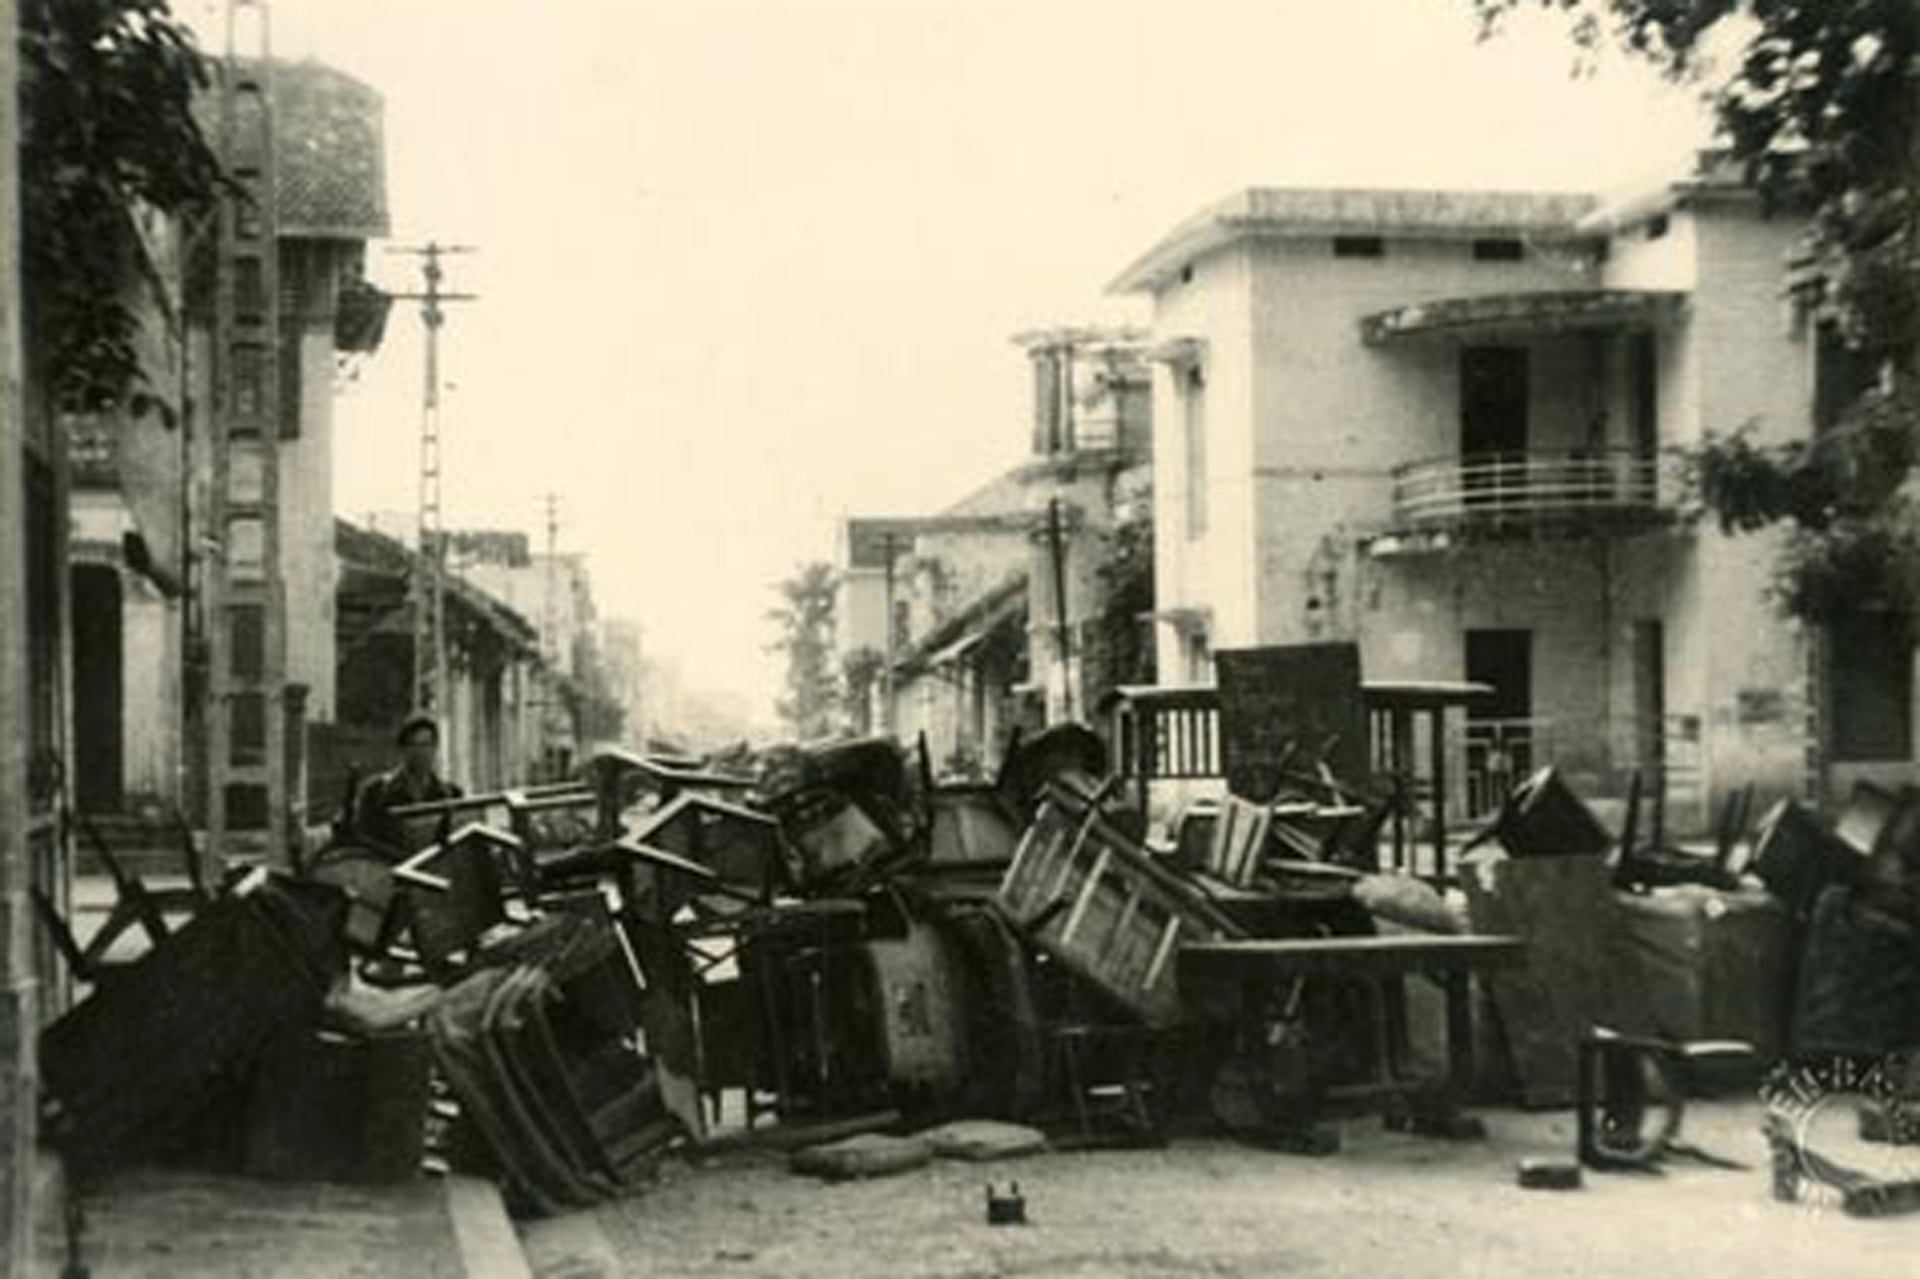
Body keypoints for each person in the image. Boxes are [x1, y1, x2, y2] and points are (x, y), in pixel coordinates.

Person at [351, 711, 461, 857]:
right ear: (403, 749)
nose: (421, 753)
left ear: (435, 748)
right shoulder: (376, 793)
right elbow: (361, 844)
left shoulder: (451, 795)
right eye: (414, 745)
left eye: (427, 745)